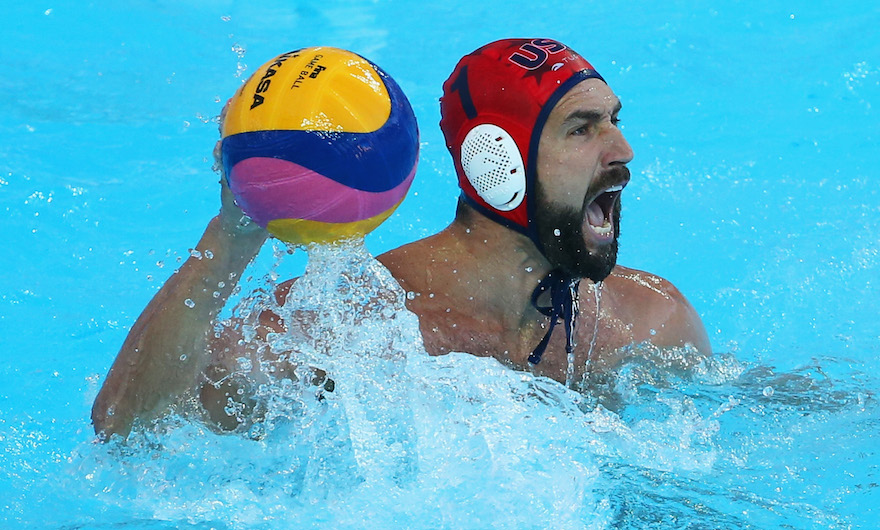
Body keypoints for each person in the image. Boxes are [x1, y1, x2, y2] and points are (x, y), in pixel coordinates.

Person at [92, 38, 710, 440]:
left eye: (615, 121)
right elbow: (126, 429)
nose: (623, 151)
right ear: (499, 161)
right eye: (583, 130)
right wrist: (230, 236)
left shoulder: (649, 319)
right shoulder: (349, 326)